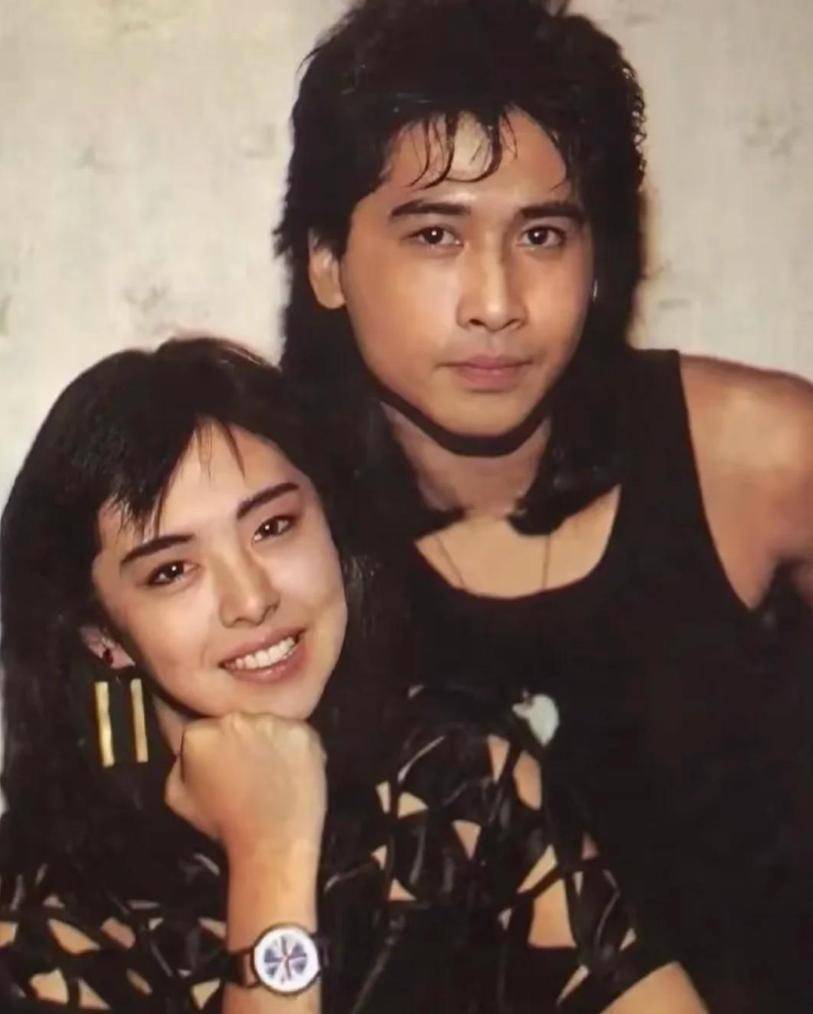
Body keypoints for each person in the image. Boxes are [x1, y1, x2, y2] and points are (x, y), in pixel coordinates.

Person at [276, 0, 813, 1008]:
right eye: (435, 234)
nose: (497, 303)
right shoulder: (265, 536)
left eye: (542, 233)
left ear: (598, 255)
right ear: (325, 261)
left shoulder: (757, 455)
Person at [0, 336, 702, 1012]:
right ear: (102, 636)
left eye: (273, 527)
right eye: (173, 570)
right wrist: (271, 859)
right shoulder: (39, 919)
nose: (252, 599)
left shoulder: (460, 779)